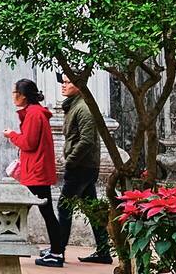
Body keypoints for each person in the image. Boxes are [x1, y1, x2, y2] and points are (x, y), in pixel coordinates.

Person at [56, 73, 113, 265]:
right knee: (91, 209)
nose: (63, 85)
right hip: (84, 166)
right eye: (62, 82)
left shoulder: (83, 108)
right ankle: (104, 251)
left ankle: (57, 251)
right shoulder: (74, 106)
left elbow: (87, 140)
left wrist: (70, 160)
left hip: (81, 166)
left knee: (64, 207)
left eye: (67, 82)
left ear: (79, 86)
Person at [3, 78, 61, 267]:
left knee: (41, 211)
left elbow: (28, 143)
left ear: (23, 96)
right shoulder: (34, 113)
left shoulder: (34, 115)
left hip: (36, 171)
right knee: (44, 211)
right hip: (37, 169)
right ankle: (56, 249)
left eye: (15, 93)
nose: (13, 96)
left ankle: (57, 252)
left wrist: (11, 134)